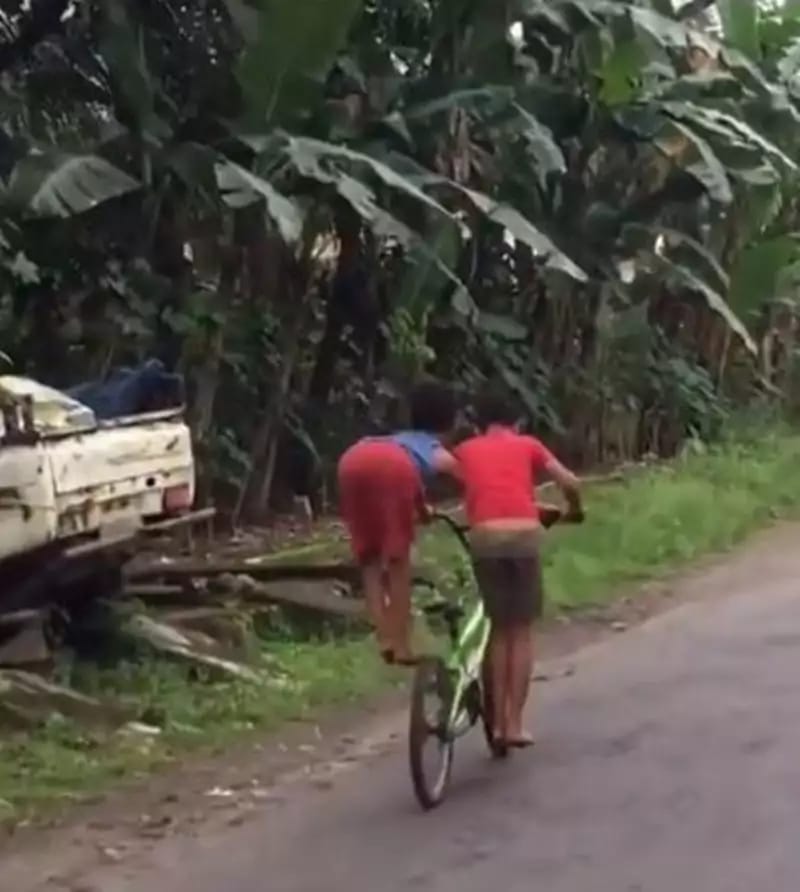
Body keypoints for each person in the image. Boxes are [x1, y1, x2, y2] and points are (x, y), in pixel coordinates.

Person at [453, 386, 582, 748]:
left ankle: (494, 727)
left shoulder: (465, 450)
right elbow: (571, 481)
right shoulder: (529, 445)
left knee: (499, 629)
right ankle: (513, 724)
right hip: (524, 536)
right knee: (521, 632)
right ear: (518, 421)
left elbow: (471, 483)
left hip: (485, 539)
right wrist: (573, 509)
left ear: (478, 425)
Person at [337, 379, 459, 665]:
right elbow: (464, 477)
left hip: (354, 458)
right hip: (393, 467)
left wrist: (422, 510)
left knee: (369, 558)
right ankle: (401, 644)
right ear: (450, 423)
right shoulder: (436, 448)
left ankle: (384, 638)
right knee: (398, 563)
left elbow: (412, 490)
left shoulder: (398, 438)